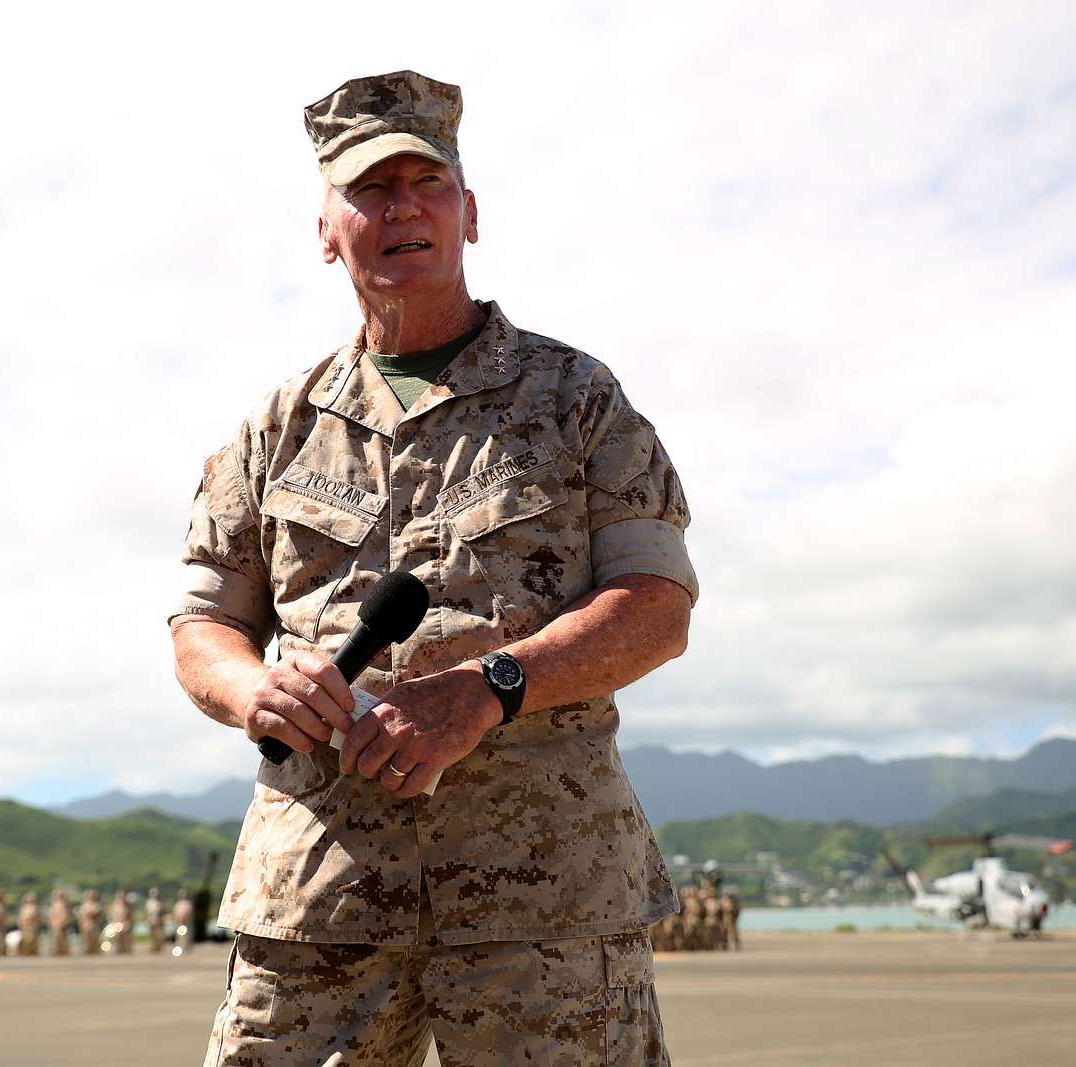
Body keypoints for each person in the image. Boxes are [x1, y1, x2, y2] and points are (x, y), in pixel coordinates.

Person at [170, 70, 694, 1065]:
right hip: (319, 898)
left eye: (426, 181)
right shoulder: (276, 428)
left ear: (470, 212)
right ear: (328, 230)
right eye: (369, 190)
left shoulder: (576, 400)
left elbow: (656, 607)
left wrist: (489, 686)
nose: (399, 206)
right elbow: (201, 623)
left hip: (541, 898)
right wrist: (253, 688)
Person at [79, 889, 104, 955]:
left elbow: (97, 913)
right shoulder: (84, 904)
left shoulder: (97, 904)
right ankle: (88, 950)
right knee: (87, 938)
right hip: (86, 924)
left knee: (95, 938)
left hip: (94, 924)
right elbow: (82, 914)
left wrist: (90, 913)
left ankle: (95, 950)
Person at [110, 889, 135, 955]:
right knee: (118, 938)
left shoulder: (128, 905)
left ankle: (127, 949)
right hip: (117, 922)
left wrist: (130, 922)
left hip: (125, 922)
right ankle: (119, 949)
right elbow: (113, 914)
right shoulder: (115, 904)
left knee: (126, 937)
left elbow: (131, 915)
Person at [48, 890, 73, 957]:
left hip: (64, 924)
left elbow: (69, 915)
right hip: (56, 924)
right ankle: (56, 951)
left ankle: (64, 951)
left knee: (64, 939)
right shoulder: (54, 905)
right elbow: (51, 915)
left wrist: (65, 922)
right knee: (56, 938)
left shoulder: (66, 905)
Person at [171, 889, 194, 955]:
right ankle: (180, 946)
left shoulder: (188, 903)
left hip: (186, 922)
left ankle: (187, 947)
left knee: (187, 935)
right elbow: (175, 912)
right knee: (179, 935)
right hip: (179, 922)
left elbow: (190, 912)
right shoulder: (178, 903)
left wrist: (185, 917)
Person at [18, 892, 42, 957]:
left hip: (32, 925)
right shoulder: (24, 907)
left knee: (33, 939)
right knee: (26, 939)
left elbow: (38, 917)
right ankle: (25, 952)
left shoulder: (35, 907)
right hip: (25, 925)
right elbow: (21, 917)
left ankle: (33, 952)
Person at [144, 887, 166, 953]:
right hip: (151, 920)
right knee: (152, 935)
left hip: (158, 920)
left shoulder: (160, 902)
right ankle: (153, 947)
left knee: (159, 935)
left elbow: (163, 912)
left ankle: (159, 948)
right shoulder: (149, 902)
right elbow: (147, 912)